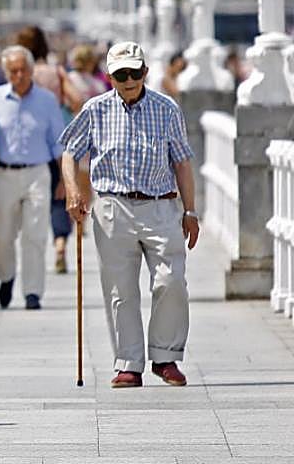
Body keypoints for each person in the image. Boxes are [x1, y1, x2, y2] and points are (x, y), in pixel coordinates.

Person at [60, 40, 198, 389]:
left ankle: (165, 357)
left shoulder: (166, 108)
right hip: (113, 206)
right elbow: (69, 152)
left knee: (171, 281)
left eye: (135, 72)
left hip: (160, 205)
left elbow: (182, 162)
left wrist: (191, 211)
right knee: (120, 290)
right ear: (109, 77)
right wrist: (74, 192)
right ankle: (128, 362)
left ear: (145, 72)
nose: (129, 79)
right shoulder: (96, 109)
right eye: (121, 74)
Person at [0, 45, 67, 309]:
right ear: (6, 73)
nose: (19, 75)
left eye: (23, 70)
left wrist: (65, 179)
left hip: (37, 173)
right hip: (5, 173)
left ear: (31, 70)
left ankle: (32, 292)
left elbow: (58, 142)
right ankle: (6, 276)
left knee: (35, 235)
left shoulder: (46, 100)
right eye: (13, 71)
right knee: (3, 236)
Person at [17, 25, 83, 275]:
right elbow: (77, 99)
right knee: (59, 195)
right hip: (55, 141)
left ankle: (32, 248)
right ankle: (60, 243)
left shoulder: (22, 75)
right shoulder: (56, 72)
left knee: (29, 199)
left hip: (30, 146)